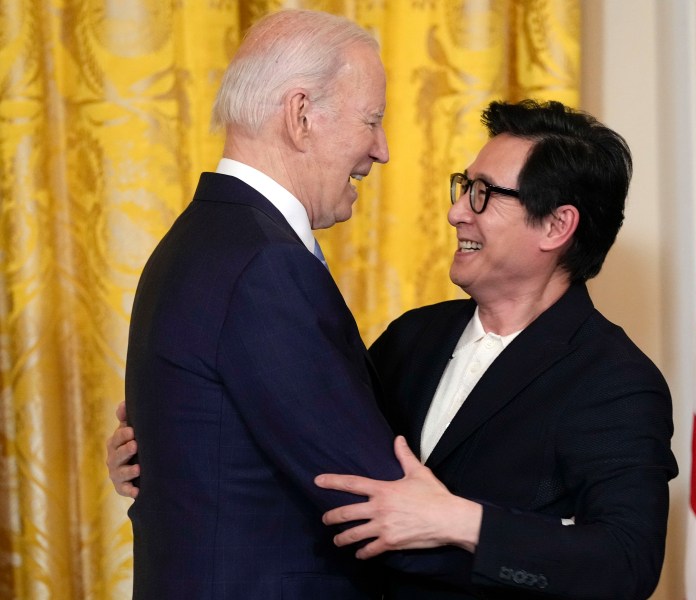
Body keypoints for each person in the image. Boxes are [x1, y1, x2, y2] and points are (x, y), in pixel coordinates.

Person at [109, 99, 678, 599]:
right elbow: (314, 446)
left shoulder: (616, 380)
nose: (457, 211)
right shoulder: (415, 337)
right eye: (463, 186)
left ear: (556, 226)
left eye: (484, 195)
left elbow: (626, 561)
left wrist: (464, 522)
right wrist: (167, 450)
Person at [119, 9, 464, 599]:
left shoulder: (199, 239)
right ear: (301, 116)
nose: (382, 150)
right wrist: (530, 557)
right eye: (372, 121)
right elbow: (369, 498)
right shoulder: (265, 264)